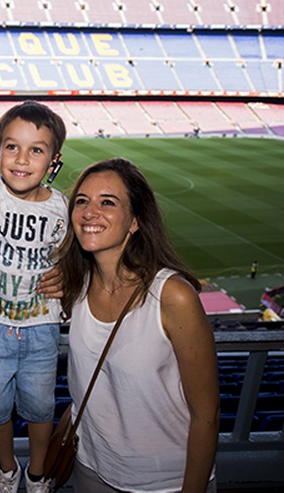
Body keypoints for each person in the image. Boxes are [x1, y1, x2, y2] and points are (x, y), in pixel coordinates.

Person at [52, 158, 220, 492]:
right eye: (82, 201)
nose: (89, 212)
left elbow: (207, 414)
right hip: (90, 468)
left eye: (108, 203)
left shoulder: (172, 296)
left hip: (163, 483)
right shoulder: (77, 285)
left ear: (135, 221)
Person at [0, 101, 68, 493]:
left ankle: (38, 472)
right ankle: (9, 469)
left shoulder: (62, 209)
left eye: (36, 150)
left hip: (42, 328)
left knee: (42, 409)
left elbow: (75, 265)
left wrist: (67, 276)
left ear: (53, 160)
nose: (22, 159)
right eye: (12, 147)